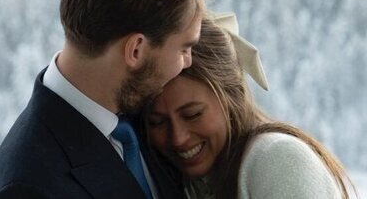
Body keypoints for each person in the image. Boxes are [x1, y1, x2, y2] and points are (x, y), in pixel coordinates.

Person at [0, 0, 209, 198]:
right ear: (136, 50)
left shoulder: (145, 108)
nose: (188, 61)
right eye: (183, 49)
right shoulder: (28, 186)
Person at [145, 14, 357, 199]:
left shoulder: (277, 160)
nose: (178, 138)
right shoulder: (190, 181)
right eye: (158, 122)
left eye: (193, 114)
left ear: (231, 95)